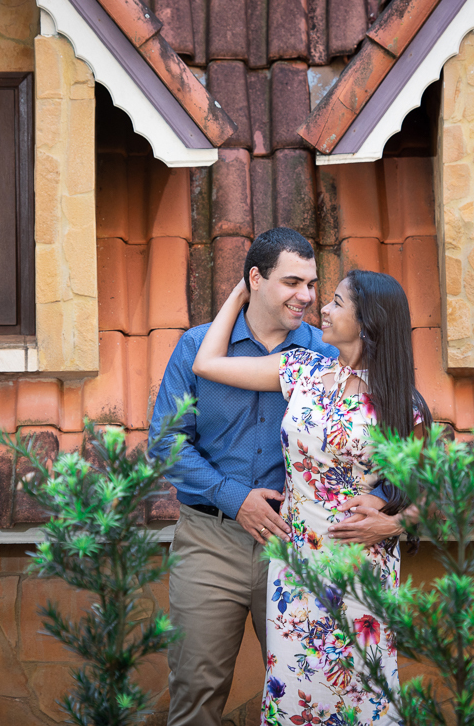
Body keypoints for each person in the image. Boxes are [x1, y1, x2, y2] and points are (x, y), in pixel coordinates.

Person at [153, 228, 392, 726]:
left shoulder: (325, 354)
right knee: (196, 690)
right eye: (291, 282)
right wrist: (236, 497)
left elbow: (379, 436)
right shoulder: (198, 346)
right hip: (210, 539)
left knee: (311, 691)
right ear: (255, 280)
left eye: (311, 284)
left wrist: (388, 506)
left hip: (301, 546)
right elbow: (165, 443)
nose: (306, 297)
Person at [191, 269, 430, 726]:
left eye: (338, 303)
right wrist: (243, 289)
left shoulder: (403, 406)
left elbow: (431, 495)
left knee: (360, 695)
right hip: (296, 568)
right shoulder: (301, 369)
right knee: (297, 696)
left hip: (361, 572)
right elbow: (207, 363)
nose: (323, 307)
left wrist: (395, 523)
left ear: (369, 322)